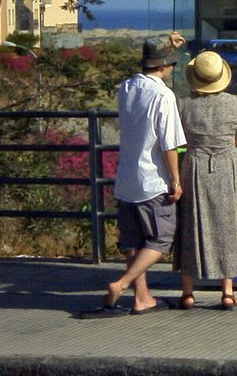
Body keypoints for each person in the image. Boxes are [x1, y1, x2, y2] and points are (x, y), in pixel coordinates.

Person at [80, 33, 187, 318]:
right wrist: (175, 180)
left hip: (126, 176)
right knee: (161, 239)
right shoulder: (164, 95)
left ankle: (142, 298)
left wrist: (168, 46)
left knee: (134, 242)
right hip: (152, 180)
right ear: (166, 66)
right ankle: (122, 284)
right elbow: (169, 143)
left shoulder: (127, 88)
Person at [175, 49, 237, 310]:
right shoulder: (233, 102)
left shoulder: (183, 104)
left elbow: (179, 139)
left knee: (191, 225)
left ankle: (187, 293)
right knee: (228, 225)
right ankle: (227, 292)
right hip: (227, 166)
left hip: (195, 167)